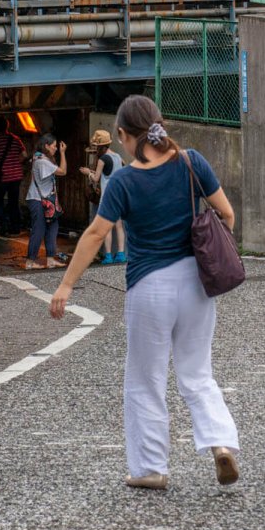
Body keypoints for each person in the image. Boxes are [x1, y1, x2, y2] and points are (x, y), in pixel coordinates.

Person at [50, 94, 239, 491]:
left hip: (150, 287)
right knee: (197, 372)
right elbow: (227, 214)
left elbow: (96, 233)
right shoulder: (192, 161)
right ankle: (220, 444)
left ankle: (151, 468)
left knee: (145, 378)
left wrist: (66, 284)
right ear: (159, 124)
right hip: (196, 283)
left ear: (123, 134)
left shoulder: (123, 180)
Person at [79, 128, 126, 265]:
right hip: (119, 196)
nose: (95, 148)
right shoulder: (118, 157)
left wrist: (88, 172)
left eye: (96, 146)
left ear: (101, 146)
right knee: (119, 226)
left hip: (107, 198)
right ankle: (121, 254)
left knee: (106, 228)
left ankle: (108, 256)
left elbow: (96, 178)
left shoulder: (102, 159)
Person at [25, 133, 67, 270]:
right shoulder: (42, 161)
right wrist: (63, 153)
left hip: (42, 199)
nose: (56, 148)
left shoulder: (38, 157)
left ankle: (50, 259)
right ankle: (30, 262)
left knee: (53, 226)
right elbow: (62, 171)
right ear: (46, 146)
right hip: (38, 199)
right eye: (54, 146)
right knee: (39, 229)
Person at [0, 116, 27, 238]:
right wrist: (15, 162)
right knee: (13, 202)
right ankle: (15, 228)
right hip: (17, 175)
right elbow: (24, 154)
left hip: (3, 176)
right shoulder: (16, 138)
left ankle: (3, 224)